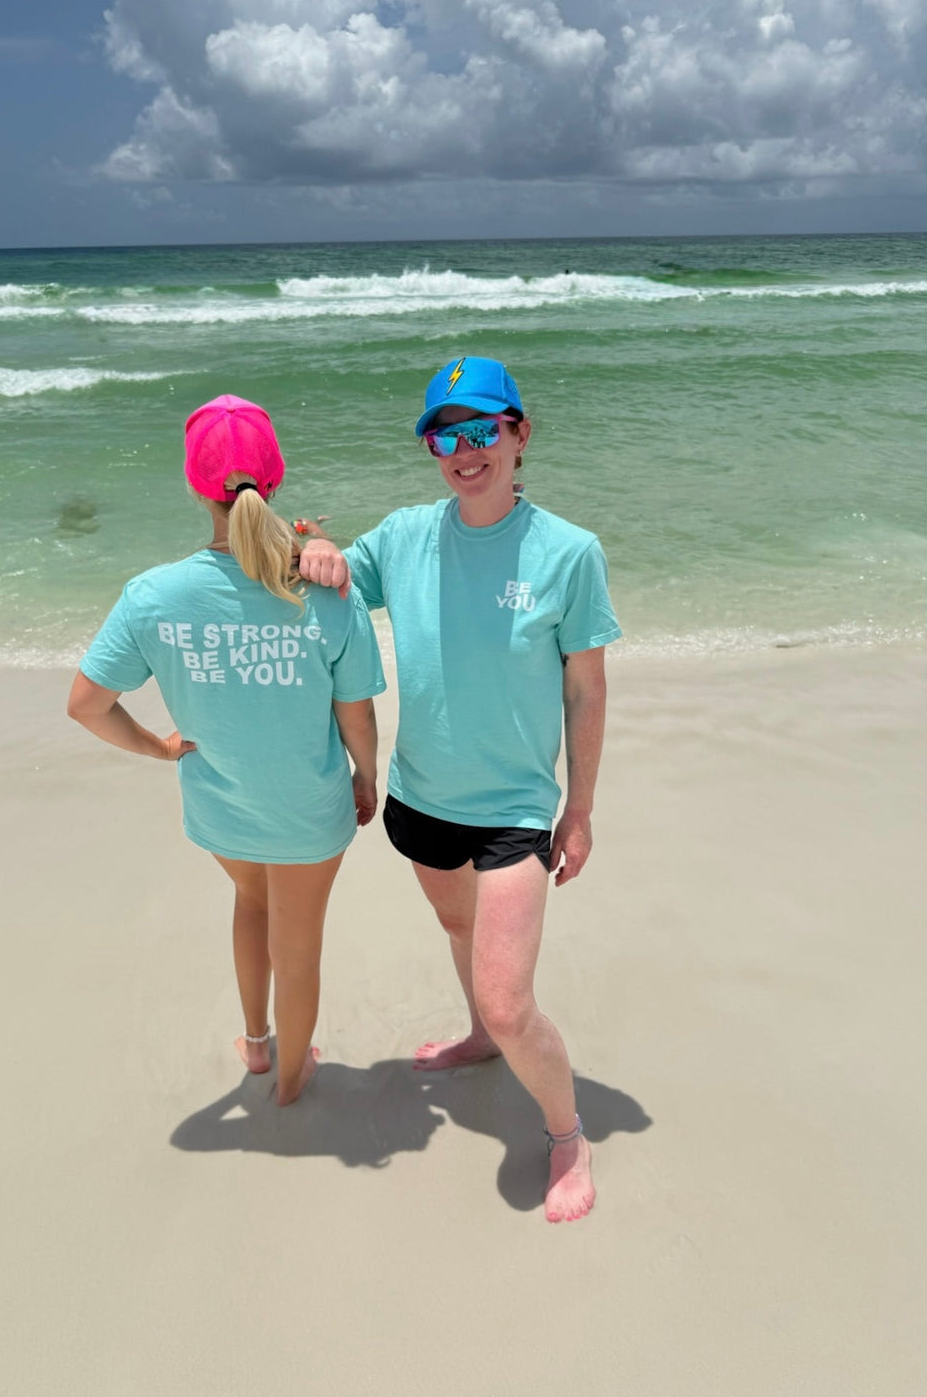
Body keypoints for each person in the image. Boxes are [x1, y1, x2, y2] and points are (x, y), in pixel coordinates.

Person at [298, 357, 621, 1219]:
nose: (465, 450)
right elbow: (329, 582)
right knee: (455, 925)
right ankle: (479, 1037)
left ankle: (566, 1133)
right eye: (445, 433)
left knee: (514, 1001)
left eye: (483, 429)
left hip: (515, 810)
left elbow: (586, 689)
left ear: (519, 434)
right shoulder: (404, 536)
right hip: (420, 797)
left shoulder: (567, 553)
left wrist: (579, 809)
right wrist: (314, 547)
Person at [68, 395, 385, 1106]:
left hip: (219, 800)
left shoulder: (153, 595)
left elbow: (86, 705)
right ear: (272, 482)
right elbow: (357, 717)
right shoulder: (327, 593)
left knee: (250, 901)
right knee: (298, 949)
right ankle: (292, 1083)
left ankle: (256, 1044)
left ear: (193, 486)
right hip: (306, 807)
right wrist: (367, 779)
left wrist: (159, 747)